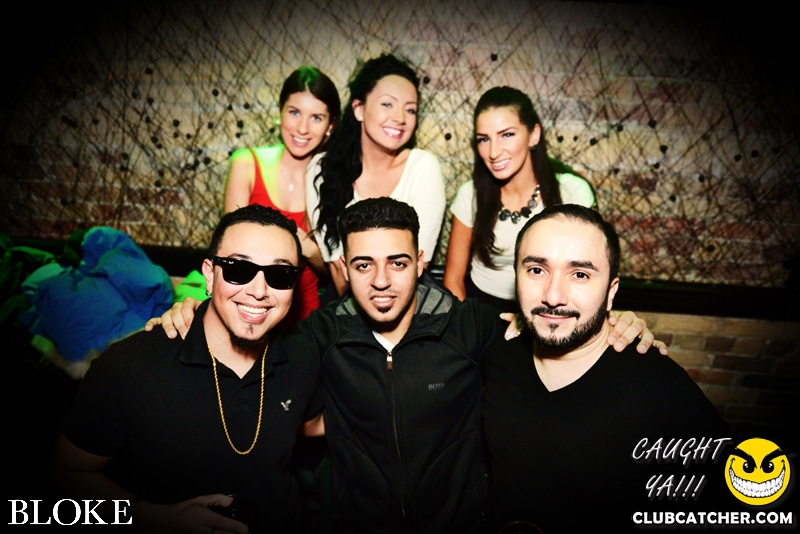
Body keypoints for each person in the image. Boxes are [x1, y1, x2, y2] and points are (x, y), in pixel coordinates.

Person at [150, 199, 664, 533]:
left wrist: (616, 321)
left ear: (420, 262)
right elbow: (249, 344)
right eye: (363, 265)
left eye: (397, 263)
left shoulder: (471, 328)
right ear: (343, 269)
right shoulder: (319, 336)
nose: (381, 281)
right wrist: (192, 312)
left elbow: (553, 334)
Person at [52, 205, 324, 533]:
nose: (258, 290)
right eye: (239, 269)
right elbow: (66, 475)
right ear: (209, 274)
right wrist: (156, 517)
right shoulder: (129, 367)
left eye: (280, 275)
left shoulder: (304, 358)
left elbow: (318, 425)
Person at [482, 204, 730, 532]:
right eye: (537, 270)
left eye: (580, 275)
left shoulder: (659, 389)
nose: (553, 296)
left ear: (610, 293)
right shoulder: (495, 351)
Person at [306, 54, 446, 298]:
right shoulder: (322, 169)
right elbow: (338, 271)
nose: (400, 118)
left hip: (408, 305)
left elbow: (414, 270)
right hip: (344, 302)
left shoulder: (423, 169)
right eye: (387, 104)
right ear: (359, 109)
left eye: (410, 109)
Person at [445, 86, 595, 311]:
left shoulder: (572, 192)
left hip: (551, 309)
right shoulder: (471, 194)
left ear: (533, 135)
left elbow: (590, 275)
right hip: (481, 310)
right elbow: (453, 280)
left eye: (507, 135)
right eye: (484, 139)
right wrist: (467, 325)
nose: (494, 152)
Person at [222, 66, 340, 327]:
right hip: (249, 304)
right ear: (279, 112)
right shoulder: (246, 163)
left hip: (304, 315)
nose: (302, 128)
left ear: (330, 125)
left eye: (316, 117)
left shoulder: (332, 180)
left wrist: (302, 241)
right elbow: (229, 249)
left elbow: (332, 270)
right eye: (294, 112)